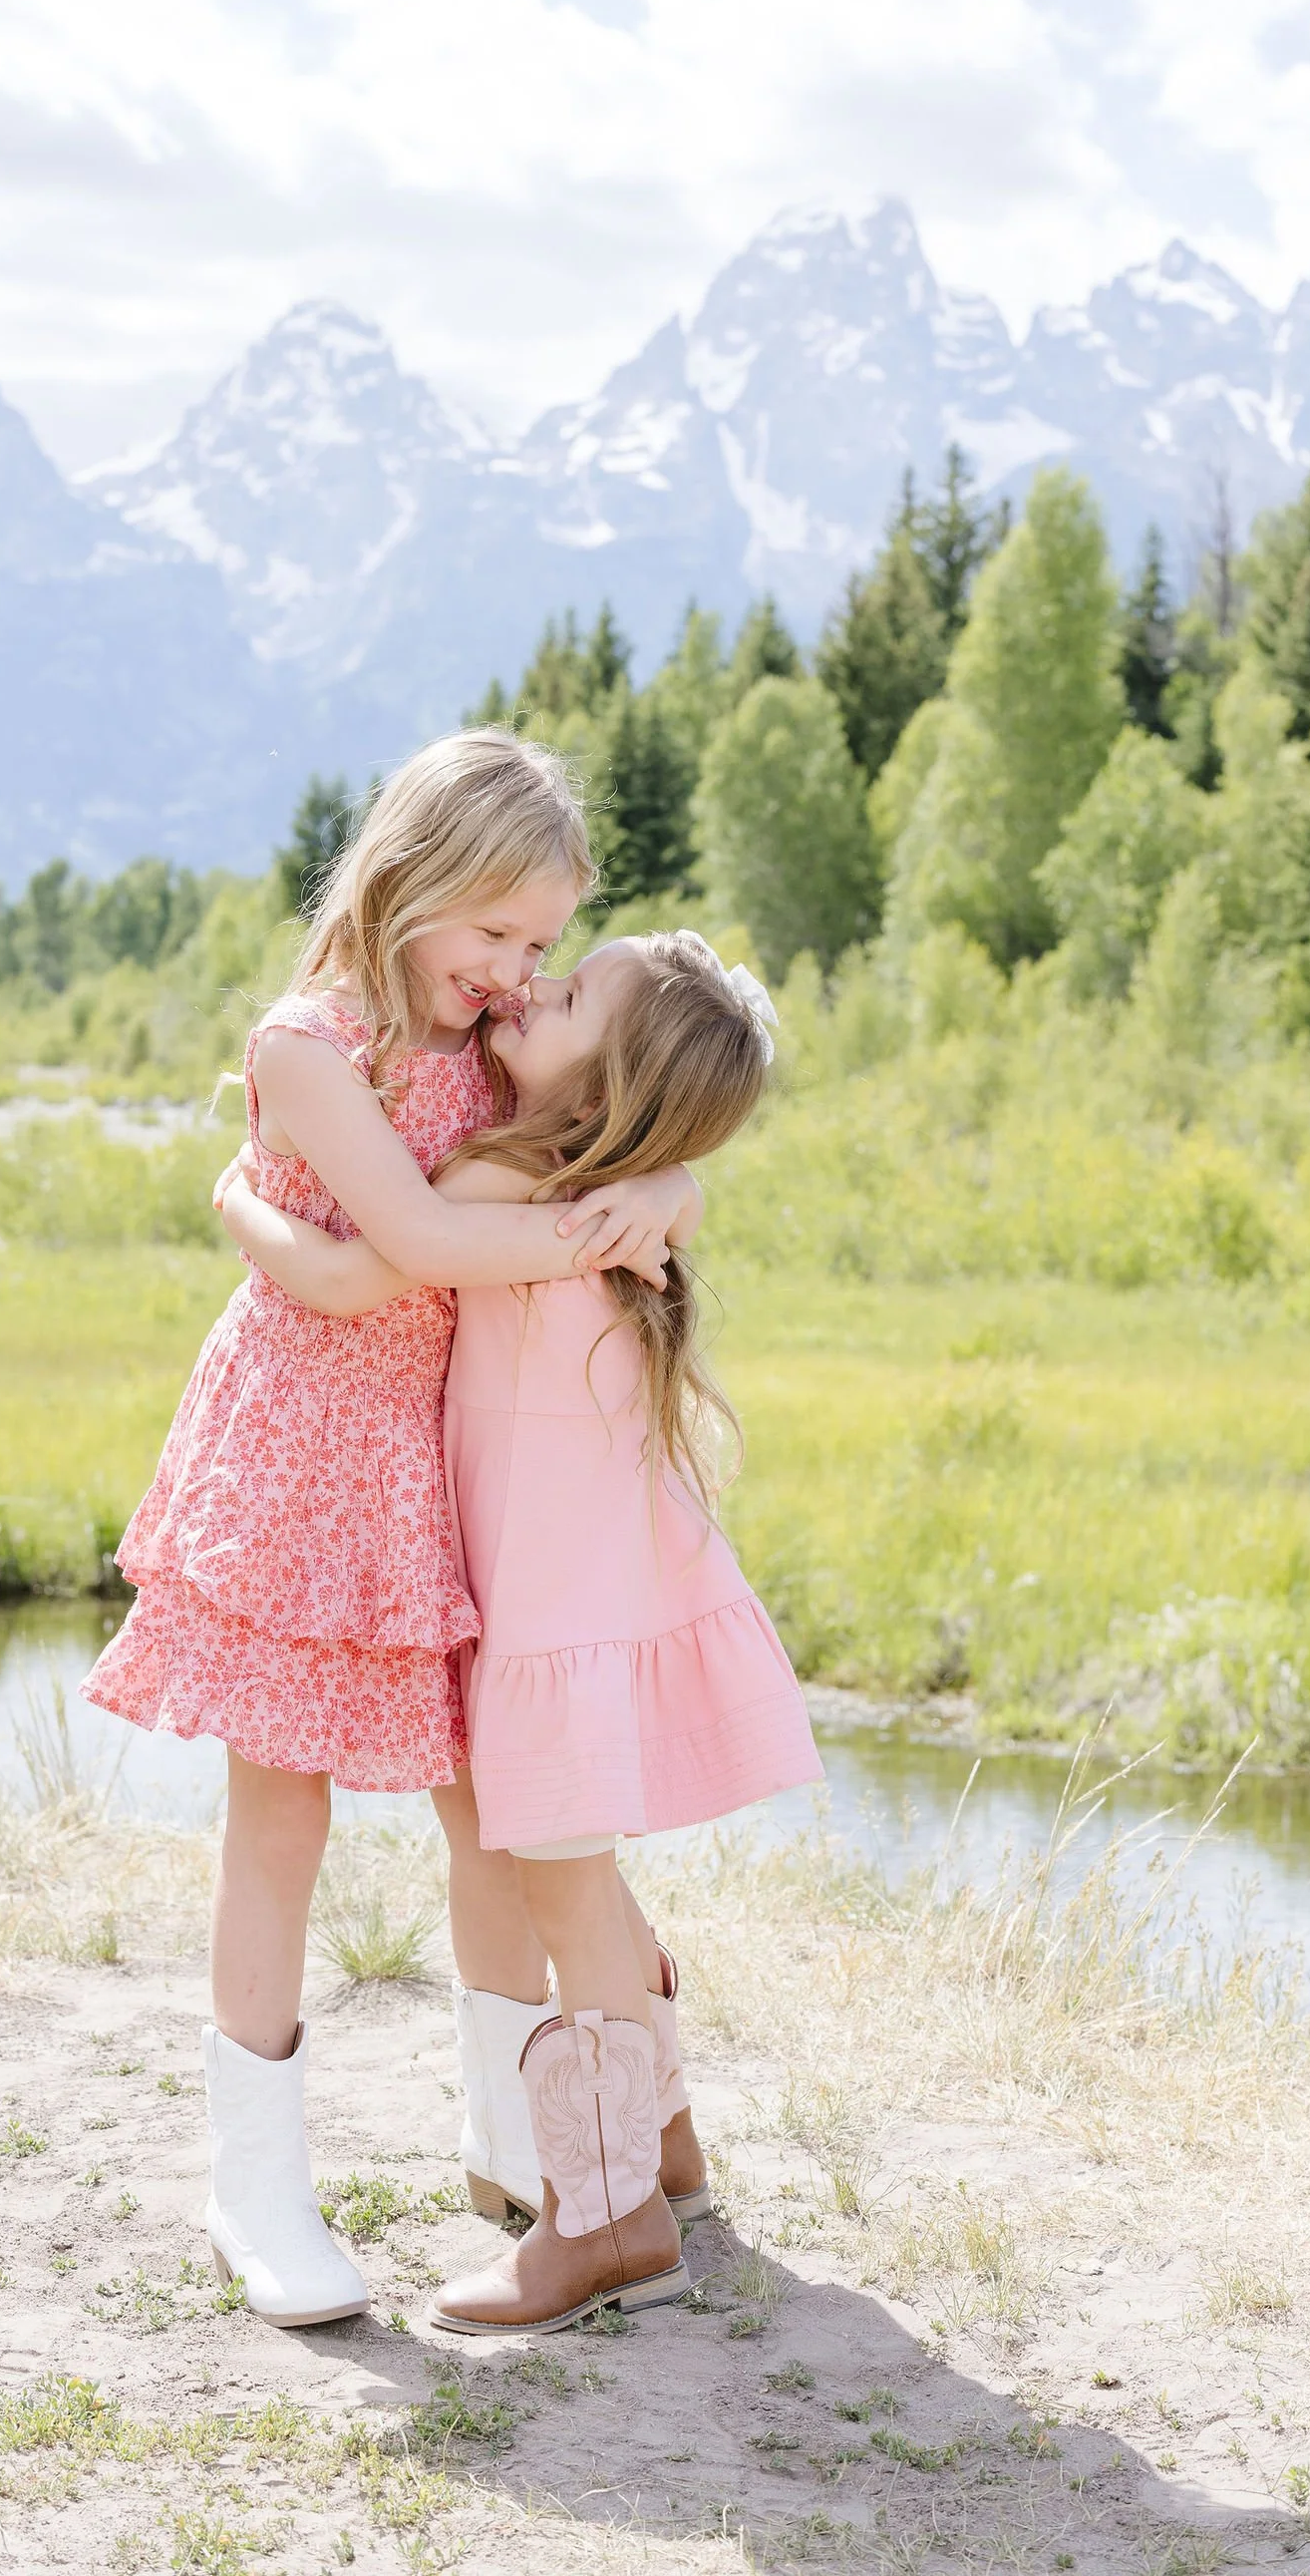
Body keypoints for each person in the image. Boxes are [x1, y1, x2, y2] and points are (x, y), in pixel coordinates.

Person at [83, 730, 699, 2328]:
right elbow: (391, 1253)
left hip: (439, 1465)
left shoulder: (489, 1035)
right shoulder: (312, 1048)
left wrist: (673, 1195)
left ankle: (527, 2141)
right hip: (302, 1456)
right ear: (407, 881)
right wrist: (568, 1233)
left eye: (540, 947)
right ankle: (258, 2187)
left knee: (486, 1812)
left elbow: (638, 1111)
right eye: (492, 934)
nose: (512, 974)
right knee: (278, 1821)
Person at [217, 928, 822, 2333]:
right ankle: (659, 2153)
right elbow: (647, 1171)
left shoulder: (498, 1181)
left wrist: (239, 1201)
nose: (531, 986)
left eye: (564, 992)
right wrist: (671, 1180)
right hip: (591, 1582)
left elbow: (359, 1268)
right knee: (577, 1875)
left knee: (558, 1876)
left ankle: (601, 2222)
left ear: (606, 1086)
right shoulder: (601, 1193)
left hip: (548, 1600)